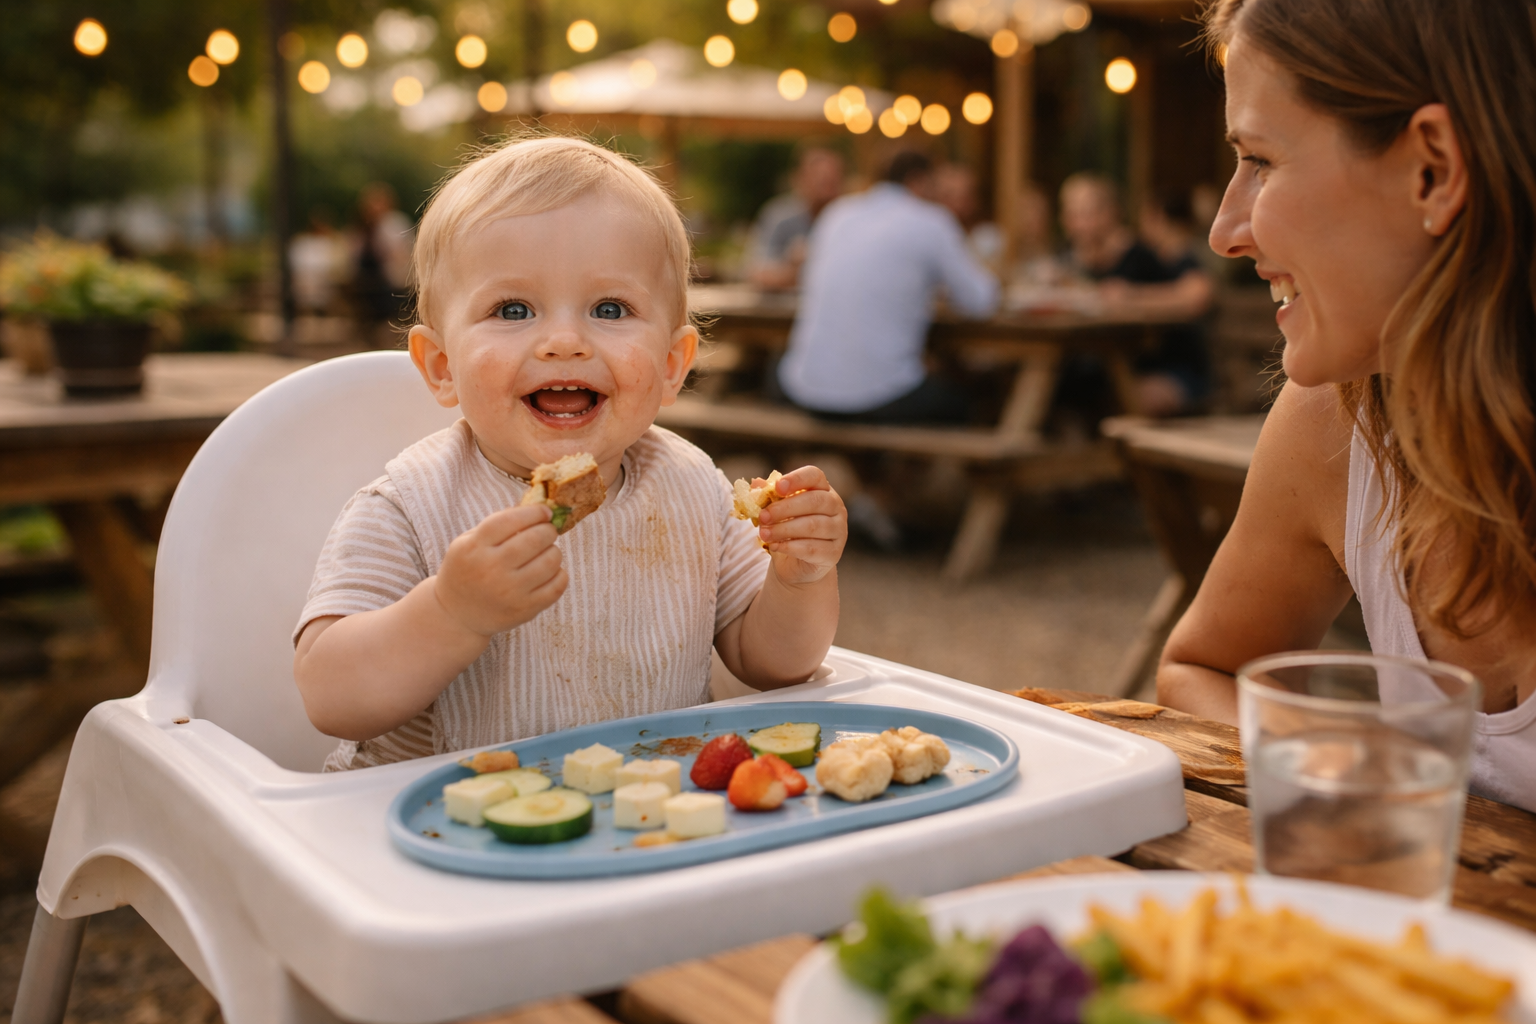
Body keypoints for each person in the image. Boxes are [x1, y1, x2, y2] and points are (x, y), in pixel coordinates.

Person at [292, 137, 848, 770]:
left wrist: (800, 577)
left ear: (672, 366)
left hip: (646, 822)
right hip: (436, 832)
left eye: (609, 308)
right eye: (513, 309)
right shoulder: (410, 505)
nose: (563, 341)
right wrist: (450, 612)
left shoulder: (694, 488)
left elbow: (773, 664)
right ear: (442, 367)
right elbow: (329, 695)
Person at [1159, 0, 1536, 812]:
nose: (1227, 229)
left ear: (1432, 168)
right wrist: (1355, 780)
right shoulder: (1339, 422)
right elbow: (1200, 671)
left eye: (1259, 159)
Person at [776, 151, 999, 424]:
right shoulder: (931, 220)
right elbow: (982, 300)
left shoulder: (837, 213)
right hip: (876, 396)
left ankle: (882, 466)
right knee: (971, 404)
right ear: (919, 181)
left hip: (805, 389)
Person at [1056, 174, 1215, 416]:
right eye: (1071, 214)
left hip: (1164, 367)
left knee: (1111, 397)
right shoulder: (1071, 263)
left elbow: (1199, 293)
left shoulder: (1141, 255)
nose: (1077, 223)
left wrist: (1131, 296)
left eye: (1086, 213)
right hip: (1109, 367)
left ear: (1111, 213)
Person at [746, 147, 845, 290]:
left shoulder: (849, 220)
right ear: (800, 178)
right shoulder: (779, 215)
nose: (827, 188)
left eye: (832, 180)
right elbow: (756, 272)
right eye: (820, 178)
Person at [352, 182, 414, 329]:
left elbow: (400, 254)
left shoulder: (393, 223)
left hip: (390, 276)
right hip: (370, 277)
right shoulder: (364, 227)